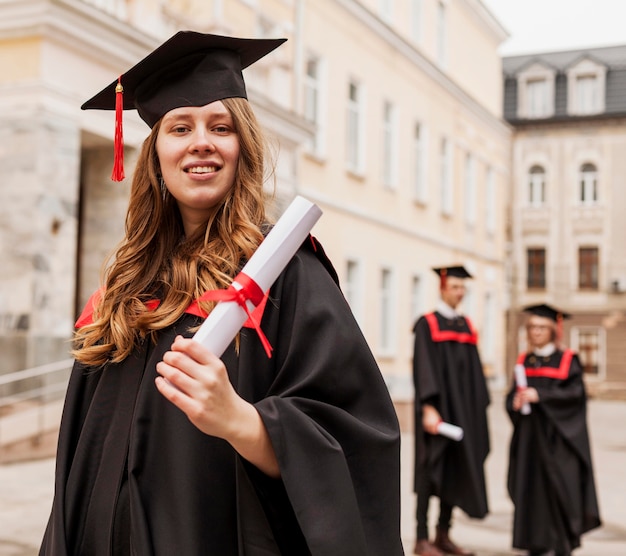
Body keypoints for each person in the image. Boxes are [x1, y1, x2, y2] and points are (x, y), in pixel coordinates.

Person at [39, 30, 404, 556]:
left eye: (221, 127)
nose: (201, 142)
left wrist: (242, 420)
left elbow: (358, 440)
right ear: (156, 153)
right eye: (180, 127)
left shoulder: (284, 277)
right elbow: (78, 454)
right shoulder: (122, 290)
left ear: (242, 147)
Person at [506, 303, 601, 556]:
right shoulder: (524, 360)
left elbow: (576, 395)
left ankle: (562, 545)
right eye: (532, 327)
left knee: (561, 490)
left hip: (559, 440)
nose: (536, 332)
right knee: (531, 492)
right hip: (530, 440)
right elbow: (510, 397)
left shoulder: (568, 360)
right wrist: (515, 403)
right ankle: (535, 544)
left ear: (553, 330)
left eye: (541, 327)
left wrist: (541, 396)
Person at [411, 266, 490, 556]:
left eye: (462, 287)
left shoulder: (466, 326)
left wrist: (478, 409)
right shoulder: (427, 324)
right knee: (429, 471)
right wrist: (428, 408)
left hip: (463, 412)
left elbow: (474, 374)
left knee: (455, 469)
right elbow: (424, 368)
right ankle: (421, 538)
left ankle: (443, 535)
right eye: (455, 286)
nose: (460, 292)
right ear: (442, 288)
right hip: (438, 413)